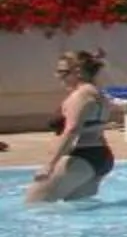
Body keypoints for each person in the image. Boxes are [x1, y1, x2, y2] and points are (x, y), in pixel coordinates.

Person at [28, 48, 115, 205]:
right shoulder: (100, 95)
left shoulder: (80, 96)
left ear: (78, 71)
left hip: (81, 157)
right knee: (79, 210)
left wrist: (50, 165)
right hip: (100, 156)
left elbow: (72, 130)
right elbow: (96, 130)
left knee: (34, 204)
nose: (58, 76)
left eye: (62, 72)